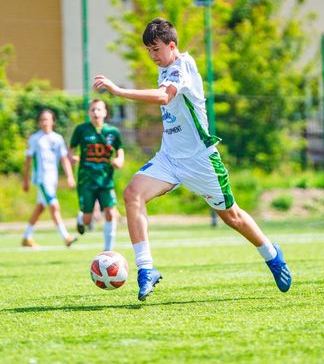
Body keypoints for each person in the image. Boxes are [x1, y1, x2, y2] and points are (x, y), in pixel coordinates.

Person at [93, 18, 292, 301]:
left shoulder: (183, 65)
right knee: (132, 193)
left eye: (156, 49)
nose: (152, 56)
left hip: (200, 161)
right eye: (148, 51)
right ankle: (146, 269)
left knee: (232, 216)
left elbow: (164, 98)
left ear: (172, 45)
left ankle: (271, 255)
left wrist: (119, 91)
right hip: (169, 159)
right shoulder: (164, 68)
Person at [69, 99, 124, 251]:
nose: (96, 112)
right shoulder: (81, 129)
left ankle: (108, 251)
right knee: (88, 220)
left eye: (99, 109)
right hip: (86, 180)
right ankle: (81, 219)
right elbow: (71, 148)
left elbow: (119, 149)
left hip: (105, 180)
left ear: (105, 112)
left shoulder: (112, 132)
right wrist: (71, 157)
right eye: (93, 109)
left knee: (110, 213)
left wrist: (119, 160)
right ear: (89, 113)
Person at [22, 109, 78, 247]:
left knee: (40, 207)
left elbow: (64, 158)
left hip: (52, 179)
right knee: (54, 206)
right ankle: (66, 237)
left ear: (53, 121)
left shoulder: (57, 138)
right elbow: (28, 160)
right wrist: (26, 180)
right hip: (41, 179)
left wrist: (70, 176)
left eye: (47, 119)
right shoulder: (35, 139)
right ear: (39, 122)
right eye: (42, 119)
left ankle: (26, 237)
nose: (44, 122)